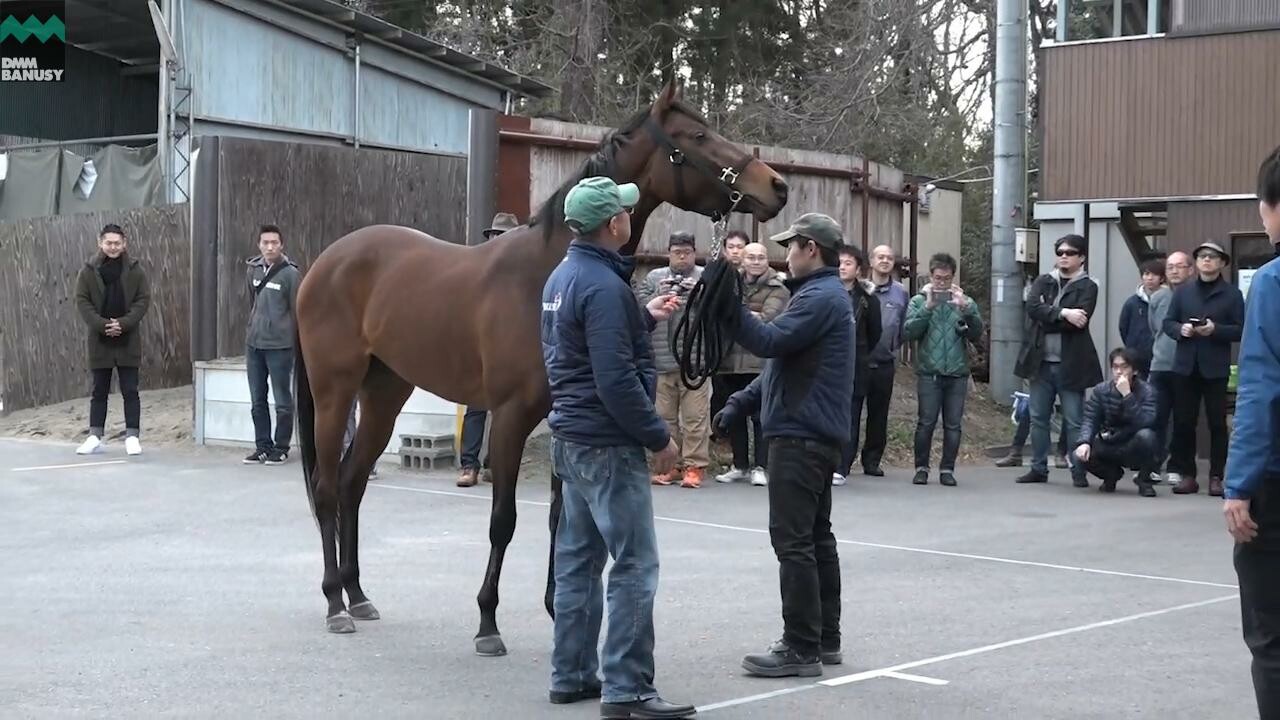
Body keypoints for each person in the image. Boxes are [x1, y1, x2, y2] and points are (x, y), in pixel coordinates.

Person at [539, 175, 694, 720]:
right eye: (626, 211)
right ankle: (627, 687)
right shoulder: (603, 286)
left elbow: (573, 350)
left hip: (572, 438)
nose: (632, 215)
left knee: (578, 562)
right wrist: (659, 436)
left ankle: (571, 674)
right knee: (634, 564)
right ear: (614, 225)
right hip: (607, 444)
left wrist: (640, 317)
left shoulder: (564, 277)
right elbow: (614, 380)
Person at [713, 212, 853, 678]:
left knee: (793, 542)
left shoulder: (819, 298)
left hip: (800, 435)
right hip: (810, 433)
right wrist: (740, 402)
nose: (785, 255)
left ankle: (801, 647)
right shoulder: (820, 296)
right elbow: (782, 365)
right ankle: (823, 638)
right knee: (816, 539)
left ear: (810, 249)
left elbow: (769, 342)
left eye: (791, 247)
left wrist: (726, 306)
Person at [1225, 144, 1280, 720]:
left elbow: (1262, 388)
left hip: (1277, 483)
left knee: (1272, 640)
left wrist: (1238, 485)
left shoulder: (1272, 281)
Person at [1014, 234, 1103, 487]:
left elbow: (1079, 323)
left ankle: (1078, 470)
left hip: (1071, 363)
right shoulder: (1045, 281)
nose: (1064, 256)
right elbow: (1032, 308)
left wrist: (1049, 315)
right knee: (1038, 417)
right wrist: (1064, 312)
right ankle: (1038, 468)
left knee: (1074, 420)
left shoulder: (1088, 286)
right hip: (1040, 363)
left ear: (1082, 257)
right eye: (1060, 252)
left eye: (1070, 253)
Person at [1162, 240, 1245, 497]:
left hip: (1215, 368)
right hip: (1185, 365)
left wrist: (1215, 330)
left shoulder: (1232, 294)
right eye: (1202, 257)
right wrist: (1181, 330)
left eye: (1212, 257)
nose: (1207, 260)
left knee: (1217, 424)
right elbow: (1168, 322)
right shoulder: (1183, 292)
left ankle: (1217, 476)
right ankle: (1188, 475)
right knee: (1185, 423)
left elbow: (1241, 329)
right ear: (1196, 263)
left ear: (1222, 263)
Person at [902, 253, 983, 486]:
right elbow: (908, 333)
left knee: (953, 424)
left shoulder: (963, 301)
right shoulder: (919, 301)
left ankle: (947, 469)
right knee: (926, 422)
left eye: (946, 279)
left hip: (957, 372)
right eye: (938, 278)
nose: (941, 283)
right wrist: (927, 307)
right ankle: (921, 467)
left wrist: (967, 309)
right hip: (930, 371)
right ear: (931, 276)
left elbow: (977, 334)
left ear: (953, 277)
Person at [638, 232, 711, 488]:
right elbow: (638, 308)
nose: (682, 256)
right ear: (668, 253)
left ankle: (694, 466)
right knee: (664, 417)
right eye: (677, 251)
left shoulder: (705, 277)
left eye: (687, 252)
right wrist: (659, 293)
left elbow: (720, 310)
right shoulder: (654, 277)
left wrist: (698, 295)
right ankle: (670, 465)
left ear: (694, 252)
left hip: (695, 361)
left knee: (695, 418)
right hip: (661, 358)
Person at [73, 223, 152, 456]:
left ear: (124, 243)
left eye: (117, 243)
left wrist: (124, 323)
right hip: (100, 340)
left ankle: (132, 436)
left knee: (130, 389)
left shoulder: (135, 270)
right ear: (101, 243)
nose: (113, 247)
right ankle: (95, 435)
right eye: (109, 243)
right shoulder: (88, 271)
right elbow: (82, 301)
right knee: (99, 390)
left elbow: (143, 300)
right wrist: (103, 325)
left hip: (128, 339)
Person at [715, 241, 789, 487]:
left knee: (760, 416)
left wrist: (739, 314)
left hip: (760, 361)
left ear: (767, 260)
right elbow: (721, 312)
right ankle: (740, 465)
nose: (756, 261)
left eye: (760, 257)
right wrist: (746, 313)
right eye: (751, 257)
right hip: (729, 359)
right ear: (742, 260)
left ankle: (761, 465)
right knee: (734, 413)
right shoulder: (731, 284)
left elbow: (769, 317)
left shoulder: (778, 286)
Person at [458, 212, 520, 487]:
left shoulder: (521, 276)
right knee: (476, 408)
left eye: (503, 235)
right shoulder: (478, 270)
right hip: (480, 351)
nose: (498, 240)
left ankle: (493, 463)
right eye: (496, 235)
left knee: (505, 412)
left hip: (510, 353)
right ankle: (468, 465)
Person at [243, 224, 302, 465]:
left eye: (274, 243)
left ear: (281, 245)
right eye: (265, 243)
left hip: (280, 346)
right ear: (259, 245)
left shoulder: (290, 274)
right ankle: (262, 446)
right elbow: (251, 301)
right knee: (257, 399)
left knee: (282, 400)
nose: (269, 247)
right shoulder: (253, 270)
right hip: (254, 345)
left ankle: (281, 446)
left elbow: (296, 310)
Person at [1074, 348, 1159, 497]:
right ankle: (1110, 475)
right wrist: (1084, 442)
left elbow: (1146, 422)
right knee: (1079, 453)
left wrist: (1127, 395)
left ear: (1134, 371)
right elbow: (1090, 418)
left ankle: (1144, 480)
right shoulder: (1102, 390)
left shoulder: (1147, 391)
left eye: (1124, 367)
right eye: (1115, 367)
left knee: (1148, 436)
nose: (1119, 372)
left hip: (1132, 443)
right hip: (1109, 440)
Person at [834, 245, 881, 486]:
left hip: (856, 364)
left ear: (858, 269)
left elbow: (875, 334)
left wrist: (859, 352)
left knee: (850, 417)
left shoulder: (867, 299)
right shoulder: (827, 292)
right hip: (828, 364)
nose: (842, 266)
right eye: (839, 262)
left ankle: (842, 466)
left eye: (848, 263)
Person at [861, 244, 909, 476]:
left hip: (884, 363)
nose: (885, 261)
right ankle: (843, 461)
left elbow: (903, 327)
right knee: (850, 413)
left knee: (878, 416)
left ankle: (872, 461)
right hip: (858, 362)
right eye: (880, 257)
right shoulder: (860, 288)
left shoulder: (901, 292)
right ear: (871, 261)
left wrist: (892, 347)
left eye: (889, 257)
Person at [1148, 251, 1193, 485]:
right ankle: (1152, 464)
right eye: (1170, 267)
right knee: (1156, 417)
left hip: (1185, 365)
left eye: (1180, 266)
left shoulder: (1195, 296)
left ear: (1190, 270)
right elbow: (1154, 327)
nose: (1174, 271)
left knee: (1183, 420)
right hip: (1160, 365)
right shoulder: (1158, 297)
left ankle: (1176, 465)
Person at [1119, 259, 1165, 379]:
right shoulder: (1132, 302)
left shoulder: (1167, 299)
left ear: (1161, 278)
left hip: (1161, 357)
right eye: (1146, 274)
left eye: (1154, 274)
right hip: (1136, 357)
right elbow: (1123, 327)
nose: (1150, 278)